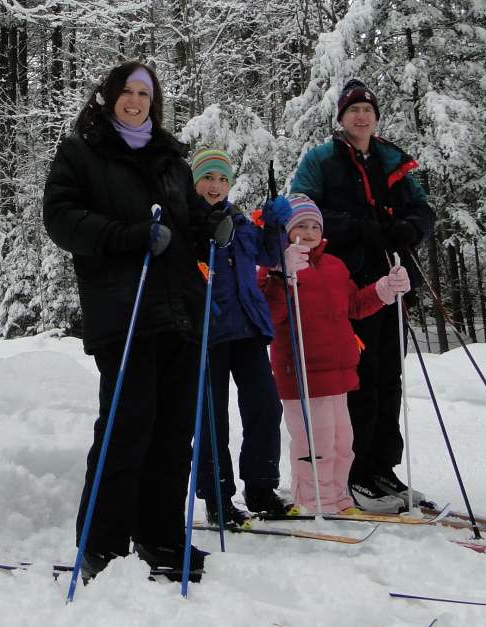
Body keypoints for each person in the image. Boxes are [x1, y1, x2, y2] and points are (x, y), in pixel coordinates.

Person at [42, 61, 233, 581]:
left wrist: (211, 223)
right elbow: (59, 218)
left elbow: (189, 218)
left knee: (174, 433)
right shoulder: (82, 151)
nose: (135, 100)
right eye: (126, 91)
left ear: (154, 101)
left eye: (144, 93)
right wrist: (125, 236)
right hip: (123, 311)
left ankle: (163, 540)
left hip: (179, 313)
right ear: (108, 97)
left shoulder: (169, 157)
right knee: (128, 425)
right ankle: (102, 543)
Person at [289, 78, 436, 512]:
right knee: (359, 378)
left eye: (367, 110)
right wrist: (355, 226)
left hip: (391, 280)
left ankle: (382, 467)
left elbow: (423, 209)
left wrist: (412, 228)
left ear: (376, 117)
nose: (361, 116)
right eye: (353, 110)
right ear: (341, 118)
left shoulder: (393, 159)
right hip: (345, 284)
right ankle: (353, 471)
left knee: (389, 376)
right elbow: (301, 211)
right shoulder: (321, 159)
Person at [258, 194, 411, 514]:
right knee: (316, 447)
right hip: (300, 374)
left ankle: (339, 498)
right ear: (286, 230)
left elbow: (355, 305)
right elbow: (267, 316)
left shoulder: (335, 266)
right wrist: (280, 277)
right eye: (301, 225)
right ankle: (313, 501)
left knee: (343, 446)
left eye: (315, 225)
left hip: (338, 373)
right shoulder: (275, 266)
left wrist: (385, 288)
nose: (310, 231)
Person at [189, 148, 287, 525]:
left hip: (247, 329)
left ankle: (262, 488)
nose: (215, 186)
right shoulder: (188, 220)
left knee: (265, 405)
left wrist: (277, 225)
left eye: (222, 179)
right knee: (212, 418)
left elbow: (270, 254)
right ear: (195, 181)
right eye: (208, 178)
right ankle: (217, 497)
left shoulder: (240, 221)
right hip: (208, 333)